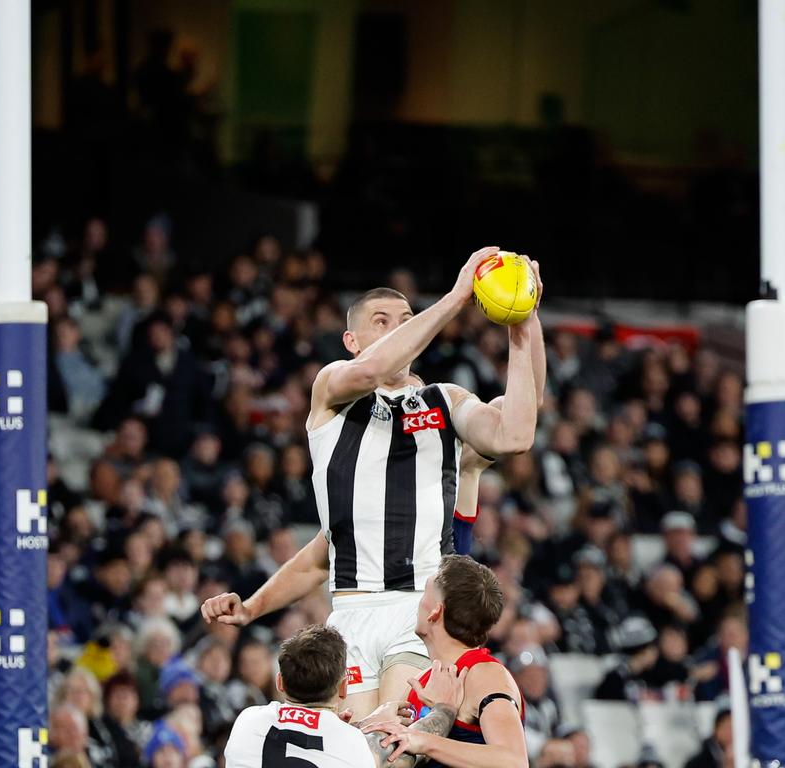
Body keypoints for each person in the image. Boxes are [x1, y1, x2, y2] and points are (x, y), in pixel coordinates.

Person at [202, 247, 545, 717]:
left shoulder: (444, 400)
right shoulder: (332, 392)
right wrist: (253, 607)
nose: (399, 327)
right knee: (360, 748)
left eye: (406, 318)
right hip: (351, 612)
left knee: (398, 744)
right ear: (351, 339)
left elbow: (517, 432)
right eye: (382, 321)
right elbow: (324, 553)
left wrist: (523, 324)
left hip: (421, 608)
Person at [362, 554, 528, 768]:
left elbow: (513, 761)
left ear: (435, 611)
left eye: (424, 593)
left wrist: (425, 741)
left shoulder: (485, 675)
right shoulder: (424, 677)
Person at [223, 624, 464, 768]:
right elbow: (407, 747)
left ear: (280, 683)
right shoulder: (352, 746)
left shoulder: (247, 722)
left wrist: (365, 724)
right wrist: (445, 709)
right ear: (343, 688)